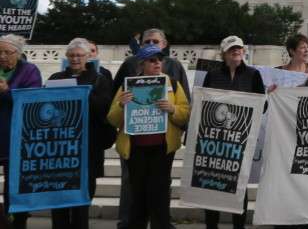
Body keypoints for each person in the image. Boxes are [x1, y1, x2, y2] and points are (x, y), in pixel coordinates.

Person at [108, 44, 191, 229]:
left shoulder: (173, 84)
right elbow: (112, 119)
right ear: (142, 64)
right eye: (152, 60)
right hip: (135, 148)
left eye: (159, 60)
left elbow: (186, 113)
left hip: (163, 149)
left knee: (159, 196)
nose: (157, 63)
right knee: (138, 196)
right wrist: (121, 105)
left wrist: (173, 109)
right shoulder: (127, 85)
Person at [44, 38, 115, 229]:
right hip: (60, 149)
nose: (75, 58)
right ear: (67, 57)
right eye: (72, 55)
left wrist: (80, 94)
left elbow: (104, 108)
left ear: (88, 57)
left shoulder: (100, 79)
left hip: (87, 148)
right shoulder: (55, 79)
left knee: (82, 198)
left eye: (80, 55)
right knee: (58, 196)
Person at [201, 36, 265, 229]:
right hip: (215, 139)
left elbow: (263, 104)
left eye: (239, 48)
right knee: (212, 184)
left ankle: (239, 226)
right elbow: (203, 104)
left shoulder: (253, 74)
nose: (236, 51)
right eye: (232, 49)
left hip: (240, 139)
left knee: (239, 187)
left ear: (243, 51)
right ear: (224, 53)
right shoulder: (212, 74)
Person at [0, 34, 42, 229]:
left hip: (17, 138)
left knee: (15, 186)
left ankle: (18, 222)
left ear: (18, 53)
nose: (2, 56)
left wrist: (7, 92)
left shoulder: (29, 71)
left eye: (7, 52)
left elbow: (32, 103)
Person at [113, 28, 190, 100]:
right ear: (141, 45)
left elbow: (185, 98)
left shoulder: (175, 65)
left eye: (155, 41)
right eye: (147, 42)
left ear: (164, 44)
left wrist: (173, 109)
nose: (151, 44)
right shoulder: (129, 63)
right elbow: (115, 94)